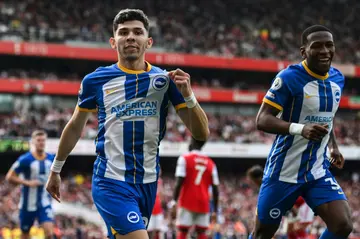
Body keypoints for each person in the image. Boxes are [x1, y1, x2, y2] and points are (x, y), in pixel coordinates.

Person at [45, 8, 209, 239]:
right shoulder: (95, 81)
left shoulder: (165, 81)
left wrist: (189, 96)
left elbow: (201, 133)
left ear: (148, 41)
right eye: (123, 32)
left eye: (137, 32)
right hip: (110, 181)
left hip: (148, 183)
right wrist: (56, 169)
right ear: (114, 42)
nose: (130, 37)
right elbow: (74, 126)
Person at [251, 25, 353, 239]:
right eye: (317, 46)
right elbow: (262, 119)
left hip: (317, 170)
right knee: (263, 234)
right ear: (303, 51)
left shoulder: (337, 79)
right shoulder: (289, 77)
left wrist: (333, 146)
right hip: (284, 172)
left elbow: (328, 115)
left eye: (329, 45)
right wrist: (300, 129)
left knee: (342, 225)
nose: (325, 51)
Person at [6, 130, 55, 239]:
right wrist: (27, 182)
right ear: (33, 142)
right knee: (25, 234)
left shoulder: (51, 158)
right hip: (27, 204)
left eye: (43, 140)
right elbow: (9, 177)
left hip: (44, 202)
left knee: (49, 233)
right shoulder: (25, 159)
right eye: (38, 140)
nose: (41, 142)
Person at [170, 138, 219, 239]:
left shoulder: (184, 158)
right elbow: (216, 189)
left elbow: (179, 182)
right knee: (201, 232)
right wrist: (215, 210)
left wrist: (174, 202)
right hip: (204, 203)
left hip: (187, 200)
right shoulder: (211, 163)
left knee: (183, 230)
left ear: (192, 142)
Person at [147, 173, 164, 239]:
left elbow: (161, 194)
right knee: (149, 230)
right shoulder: (148, 180)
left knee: (158, 229)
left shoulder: (160, 181)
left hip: (158, 209)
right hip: (150, 209)